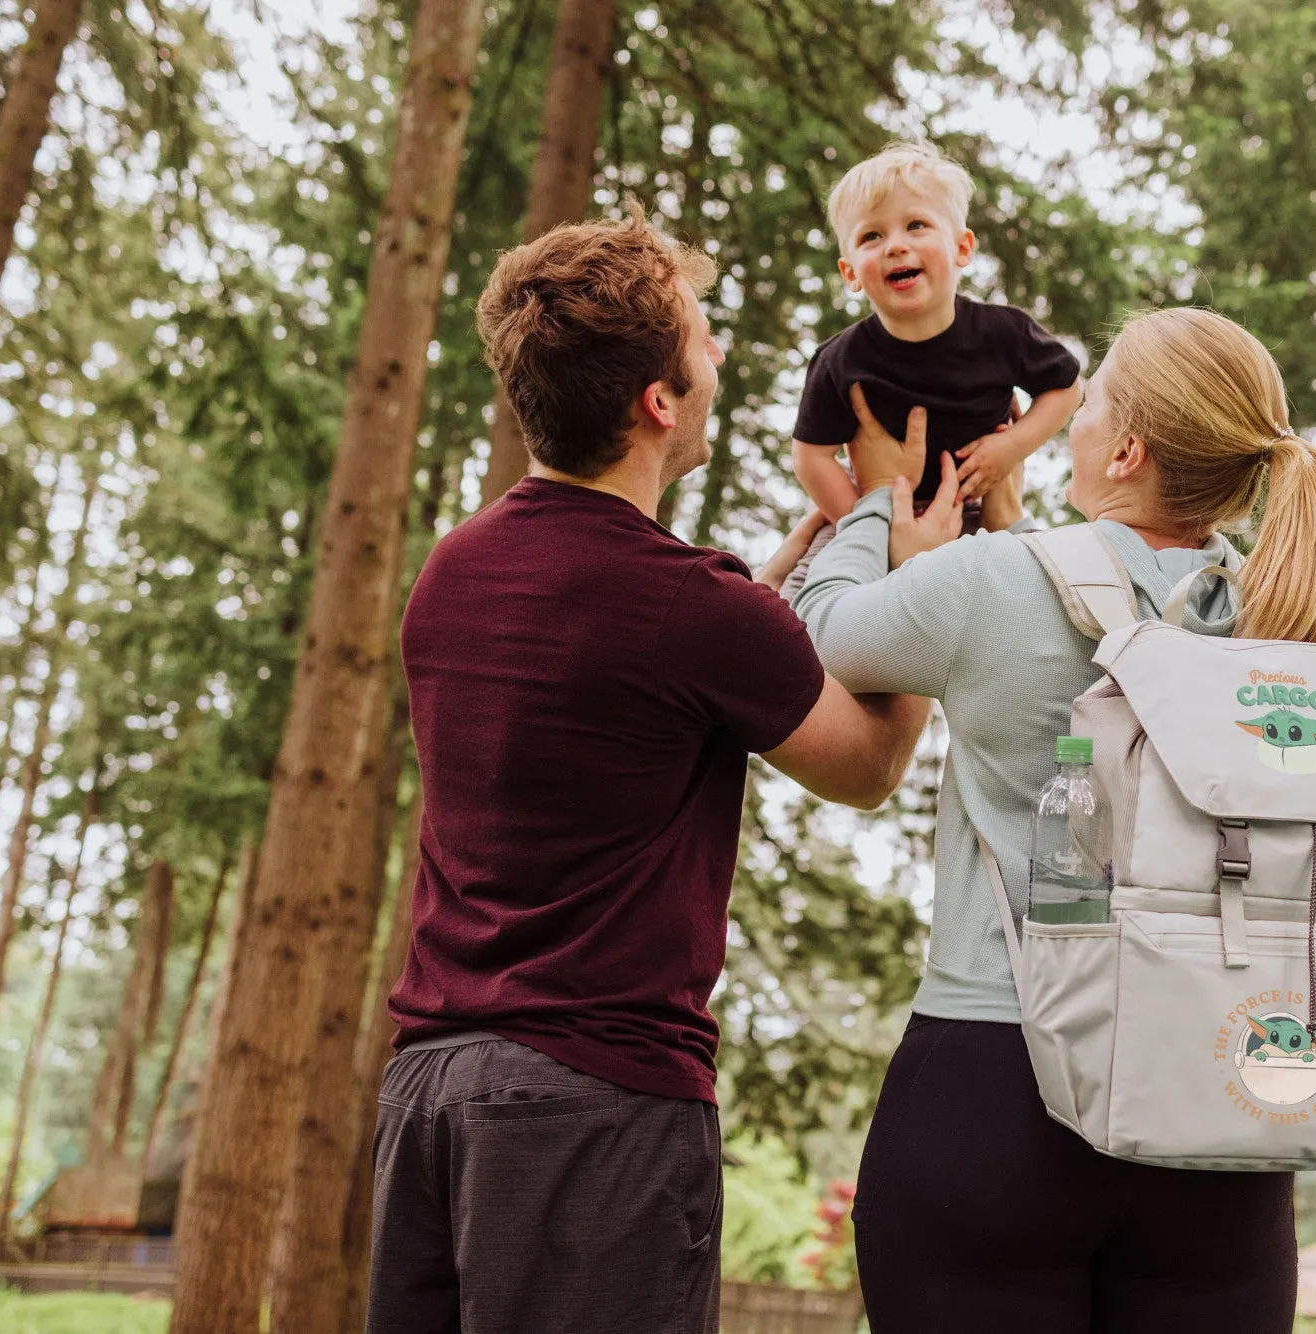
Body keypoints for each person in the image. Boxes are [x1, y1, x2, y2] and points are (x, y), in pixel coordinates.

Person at [366, 215, 928, 1334]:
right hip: (590, 1107)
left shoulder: (455, 569)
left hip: (428, 1099)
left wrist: (788, 568)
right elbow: (865, 765)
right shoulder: (688, 605)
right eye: (706, 340)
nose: (717, 356)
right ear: (658, 403)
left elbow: (647, 652)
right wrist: (912, 585)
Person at [793, 307, 1316, 1330]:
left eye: (1089, 399)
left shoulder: (989, 583)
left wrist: (877, 507)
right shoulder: (1293, 623)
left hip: (992, 1086)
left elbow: (813, 632)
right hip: (1221, 1110)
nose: (1073, 417)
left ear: (1128, 447)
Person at [778, 140, 1083, 597]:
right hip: (871, 512)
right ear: (850, 272)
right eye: (871, 236)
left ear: (961, 247)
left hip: (973, 512)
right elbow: (810, 457)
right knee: (802, 609)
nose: (895, 246)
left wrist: (1014, 447)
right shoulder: (840, 359)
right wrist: (865, 520)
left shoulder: (1003, 333)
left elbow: (1067, 388)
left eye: (915, 225)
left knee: (1037, 597)